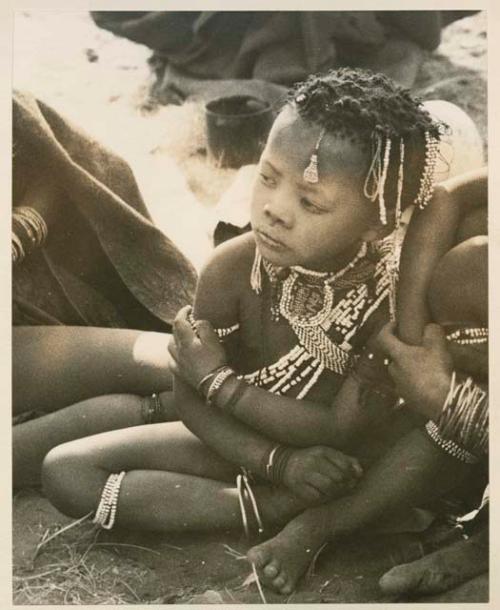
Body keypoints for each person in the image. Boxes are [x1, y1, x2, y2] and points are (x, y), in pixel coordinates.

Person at [38, 70, 478, 572]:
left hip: (334, 467)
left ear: (378, 222)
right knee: (65, 470)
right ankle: (274, 509)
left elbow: (340, 429)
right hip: (245, 447)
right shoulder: (231, 269)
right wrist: (277, 463)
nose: (274, 210)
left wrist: (219, 385)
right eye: (267, 177)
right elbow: (188, 393)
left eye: (310, 202)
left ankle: (296, 513)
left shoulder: (389, 302)